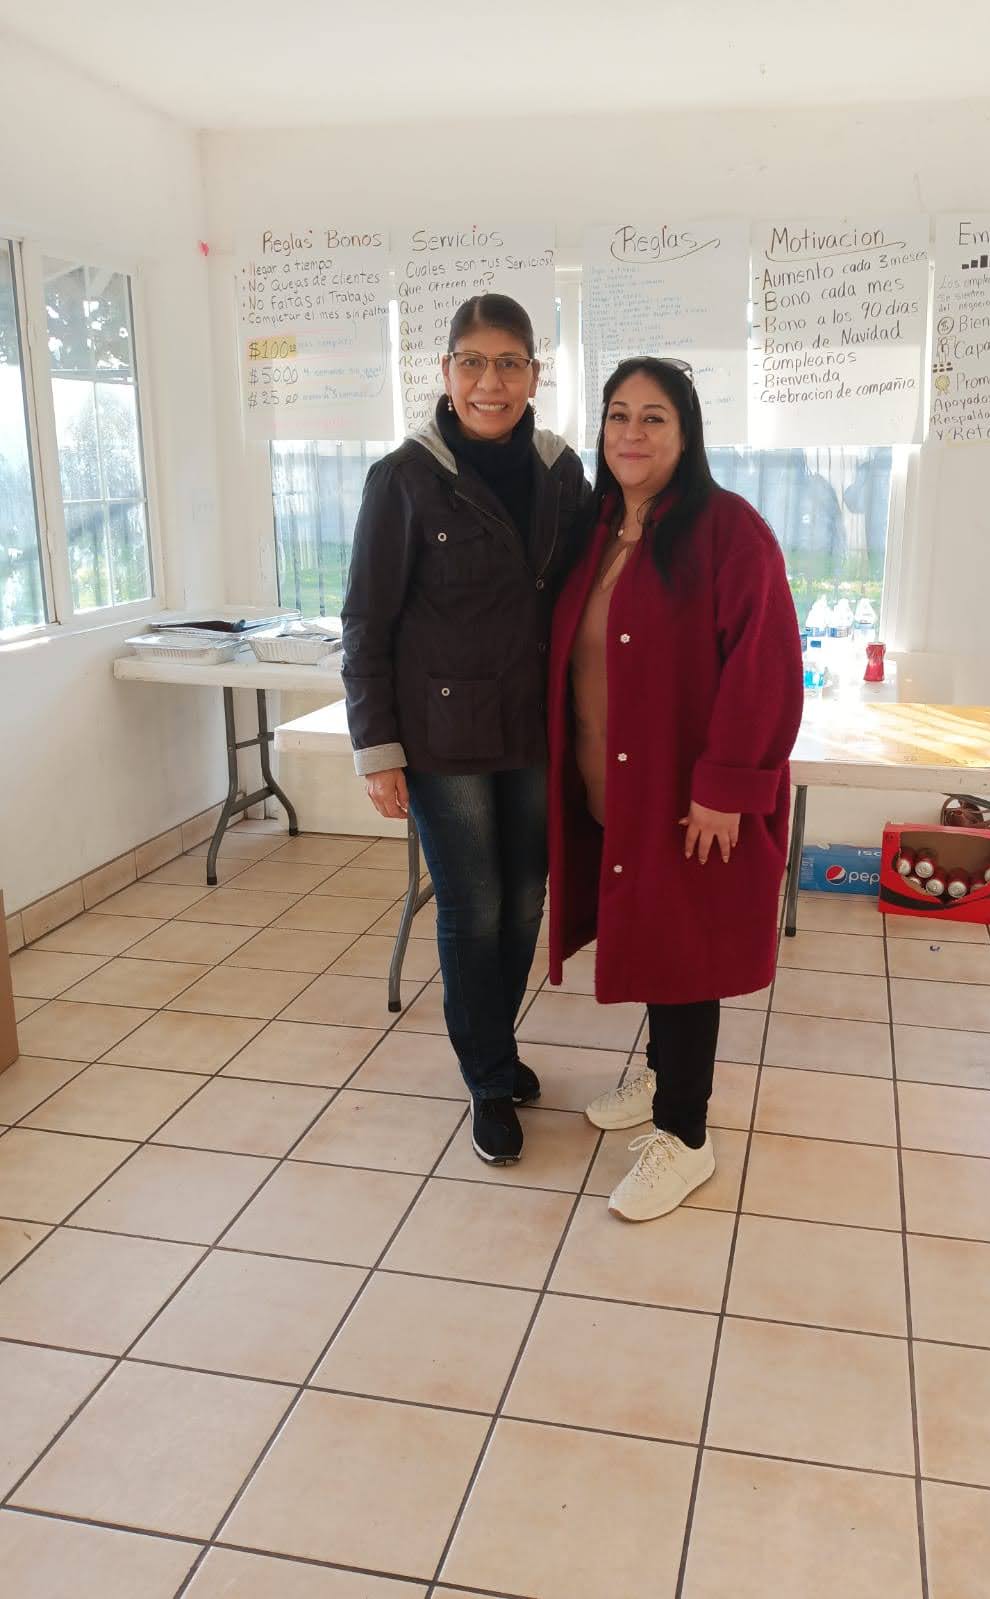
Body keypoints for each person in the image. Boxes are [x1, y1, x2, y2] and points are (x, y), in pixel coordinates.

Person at [546, 357, 803, 1221]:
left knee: (686, 956)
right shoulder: (598, 528)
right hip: (609, 789)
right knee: (655, 936)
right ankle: (662, 1078)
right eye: (618, 414)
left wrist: (727, 784)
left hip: (685, 797)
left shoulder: (729, 531)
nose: (632, 433)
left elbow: (765, 666)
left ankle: (686, 1136)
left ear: (686, 434)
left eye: (654, 417)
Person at [342, 294, 587, 1165]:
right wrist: (377, 749)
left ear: (534, 374)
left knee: (525, 898)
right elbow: (366, 622)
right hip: (443, 738)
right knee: (474, 904)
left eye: (510, 363)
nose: (492, 382)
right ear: (446, 372)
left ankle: (497, 1043)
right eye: (474, 362)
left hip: (536, 729)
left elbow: (588, 588)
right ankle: (486, 1075)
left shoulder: (561, 470)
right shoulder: (404, 477)